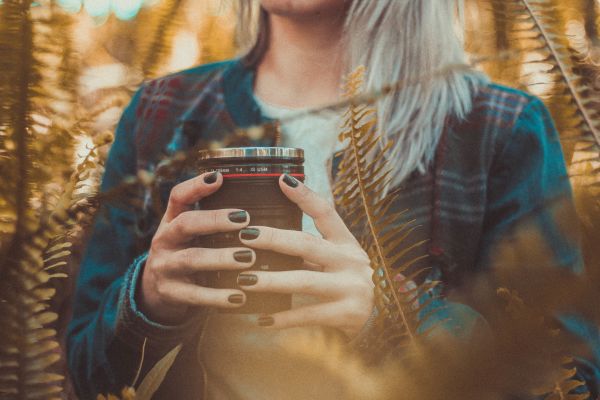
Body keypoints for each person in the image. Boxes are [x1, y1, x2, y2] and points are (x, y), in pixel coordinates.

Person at [66, 1, 598, 398]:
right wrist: (146, 300)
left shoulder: (500, 129)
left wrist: (391, 322)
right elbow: (76, 373)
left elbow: (568, 378)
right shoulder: (163, 112)